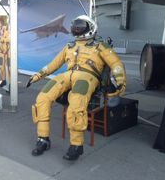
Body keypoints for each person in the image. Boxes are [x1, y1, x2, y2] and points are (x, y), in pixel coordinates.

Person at [26, 15, 126, 161]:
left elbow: (116, 63)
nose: (76, 28)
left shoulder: (100, 46)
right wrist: (38, 75)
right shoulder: (69, 47)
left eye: (80, 25)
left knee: (76, 103)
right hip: (67, 75)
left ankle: (76, 145)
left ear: (90, 27)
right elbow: (54, 64)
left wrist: (120, 81)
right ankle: (43, 139)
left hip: (88, 77)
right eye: (75, 25)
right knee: (42, 98)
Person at [0, 22, 10, 88]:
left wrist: (2, 39)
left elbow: (9, 39)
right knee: (1, 67)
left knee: (8, 68)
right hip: (0, 53)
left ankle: (10, 82)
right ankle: (3, 80)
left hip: (7, 54)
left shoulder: (7, 32)